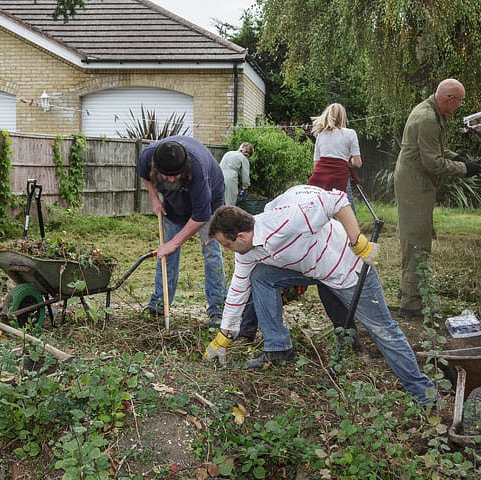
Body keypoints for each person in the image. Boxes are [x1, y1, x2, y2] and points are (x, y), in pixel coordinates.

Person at [203, 185, 436, 405]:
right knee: (260, 276)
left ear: (241, 236)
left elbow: (336, 200)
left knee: (383, 330)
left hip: (346, 270)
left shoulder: (284, 221)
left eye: (226, 244)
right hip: (310, 268)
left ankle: (422, 392)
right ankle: (278, 349)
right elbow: (237, 289)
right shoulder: (245, 253)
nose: (226, 250)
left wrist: (358, 242)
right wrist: (223, 337)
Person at [394, 78, 481, 318]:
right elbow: (433, 162)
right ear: (449, 99)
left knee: (415, 235)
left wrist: (460, 157)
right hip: (415, 184)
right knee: (416, 241)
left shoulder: (432, 111)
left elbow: (435, 149)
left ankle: (409, 289)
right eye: (460, 102)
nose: (459, 107)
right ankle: (411, 304)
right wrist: (466, 169)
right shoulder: (428, 118)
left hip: (416, 181)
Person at [136, 135, 227, 327]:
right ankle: (159, 305)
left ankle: (218, 309)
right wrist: (154, 198)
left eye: (175, 175)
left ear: (184, 168)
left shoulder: (199, 170)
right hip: (173, 205)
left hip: (209, 205)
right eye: (165, 175)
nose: (170, 178)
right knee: (166, 255)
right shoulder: (148, 155)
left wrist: (174, 243)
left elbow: (201, 216)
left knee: (211, 253)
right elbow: (144, 175)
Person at [307, 103, 362, 212]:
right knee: (347, 210)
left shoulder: (321, 135)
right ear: (343, 117)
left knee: (320, 210)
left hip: (320, 177)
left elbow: (316, 164)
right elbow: (358, 163)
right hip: (340, 176)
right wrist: (349, 160)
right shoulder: (350, 134)